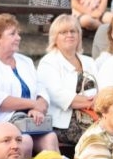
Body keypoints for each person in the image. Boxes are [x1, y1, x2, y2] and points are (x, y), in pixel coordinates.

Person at [0, 14, 60, 155]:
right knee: (24, 141)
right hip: (1, 124)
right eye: (12, 34)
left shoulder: (26, 61)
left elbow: (41, 90)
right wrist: (32, 104)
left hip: (31, 122)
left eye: (18, 33)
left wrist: (39, 108)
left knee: (51, 137)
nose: (18, 37)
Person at [36, 14, 98, 148]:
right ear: (55, 38)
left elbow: (102, 89)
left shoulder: (90, 62)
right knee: (99, 137)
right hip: (64, 122)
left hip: (94, 116)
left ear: (79, 35)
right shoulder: (49, 62)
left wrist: (100, 102)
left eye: (73, 31)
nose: (69, 35)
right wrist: (94, 102)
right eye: (63, 32)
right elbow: (57, 95)